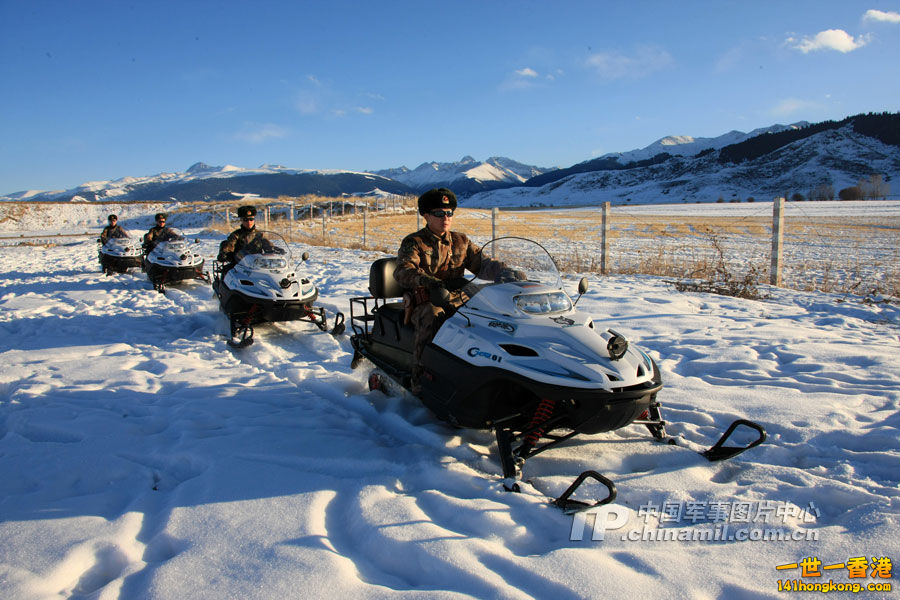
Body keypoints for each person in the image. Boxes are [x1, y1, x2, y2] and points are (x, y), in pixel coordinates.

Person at [394, 187, 513, 394]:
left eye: (449, 213)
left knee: (493, 313)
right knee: (433, 317)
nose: (446, 218)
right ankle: (419, 377)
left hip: (460, 294)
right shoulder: (414, 242)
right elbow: (403, 271)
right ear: (426, 215)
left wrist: (506, 272)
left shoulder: (461, 240)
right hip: (426, 297)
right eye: (439, 213)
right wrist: (430, 282)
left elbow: (482, 264)